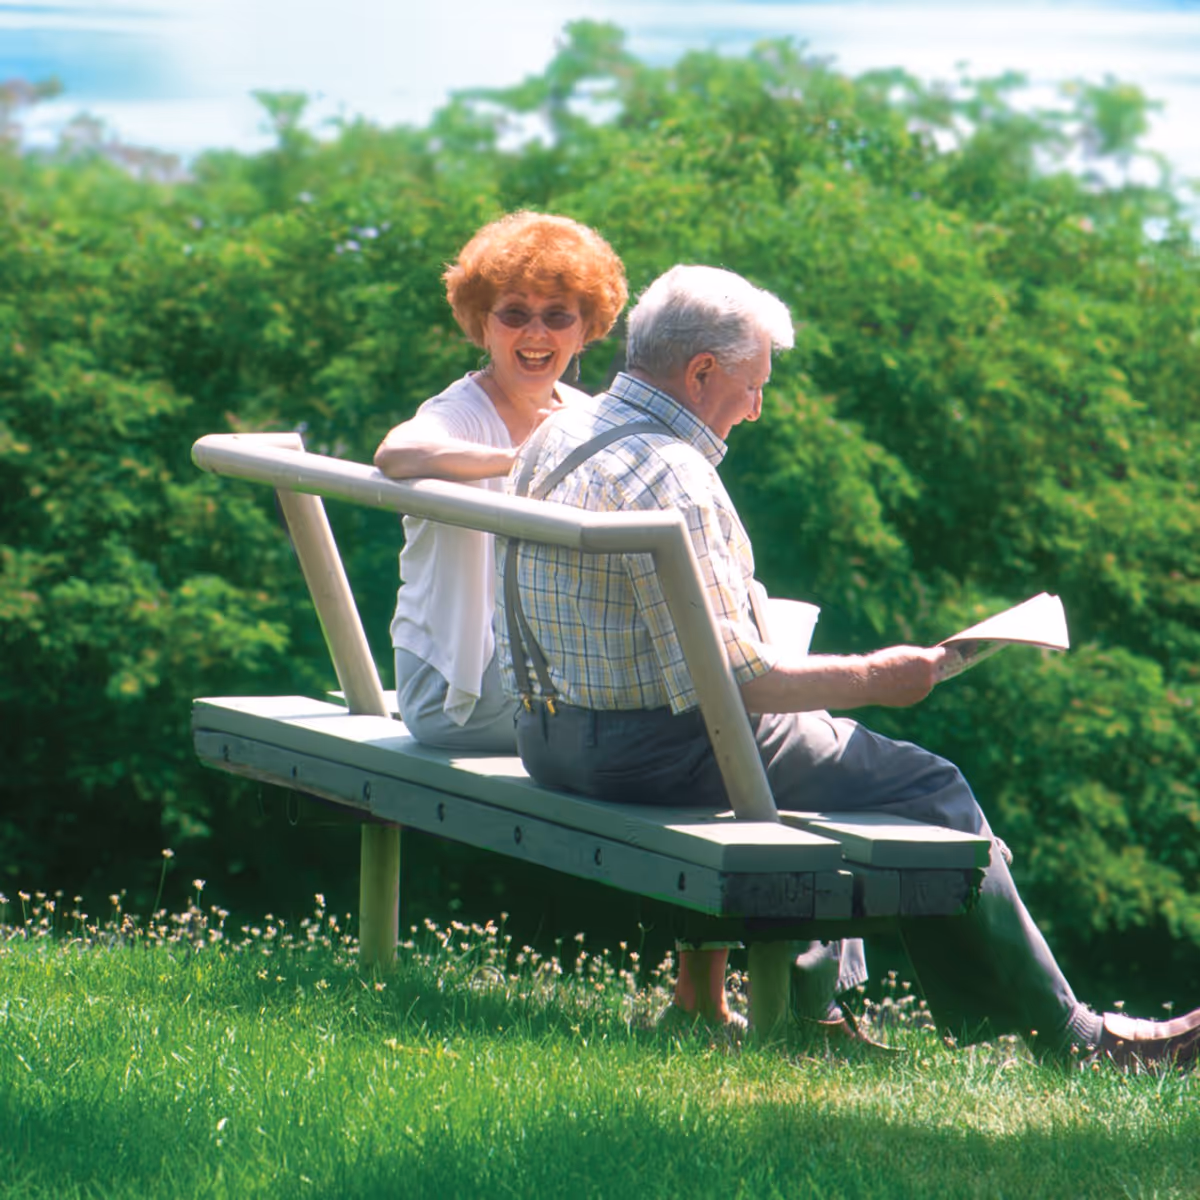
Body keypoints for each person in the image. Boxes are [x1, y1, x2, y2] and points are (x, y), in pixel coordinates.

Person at [496, 262, 1200, 1067]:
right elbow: (743, 686)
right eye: (752, 385)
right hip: (649, 752)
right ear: (701, 373)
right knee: (925, 785)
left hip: (547, 738)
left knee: (826, 754)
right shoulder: (677, 477)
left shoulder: (561, 431)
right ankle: (1072, 1039)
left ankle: (816, 1009)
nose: (756, 408)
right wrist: (885, 676)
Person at [373, 212, 627, 750]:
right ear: (482, 324)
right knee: (664, 725)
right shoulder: (461, 411)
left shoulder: (586, 415)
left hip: (545, 675)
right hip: (455, 692)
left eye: (558, 316)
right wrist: (519, 457)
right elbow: (396, 452)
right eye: (515, 314)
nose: (536, 333)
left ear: (584, 331)